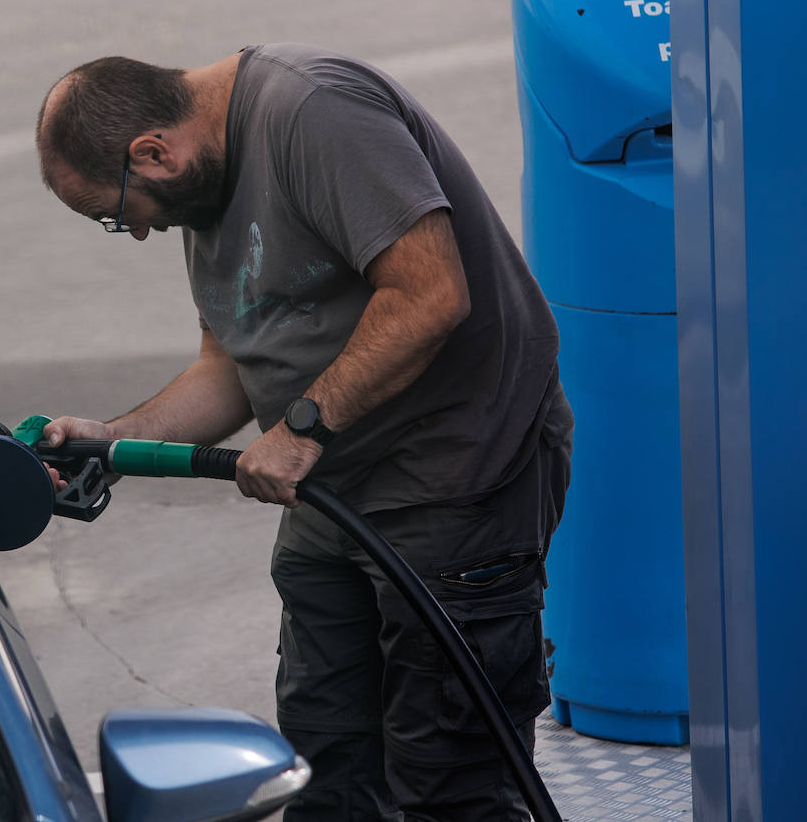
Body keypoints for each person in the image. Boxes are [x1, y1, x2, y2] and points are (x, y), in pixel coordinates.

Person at [34, 43, 572, 821]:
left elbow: (430, 294)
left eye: (117, 215)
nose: (140, 233)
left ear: (152, 152)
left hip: (454, 480)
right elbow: (231, 365)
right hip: (334, 498)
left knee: (448, 780)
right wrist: (111, 442)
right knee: (326, 762)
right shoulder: (202, 180)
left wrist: (301, 428)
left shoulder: (315, 112)